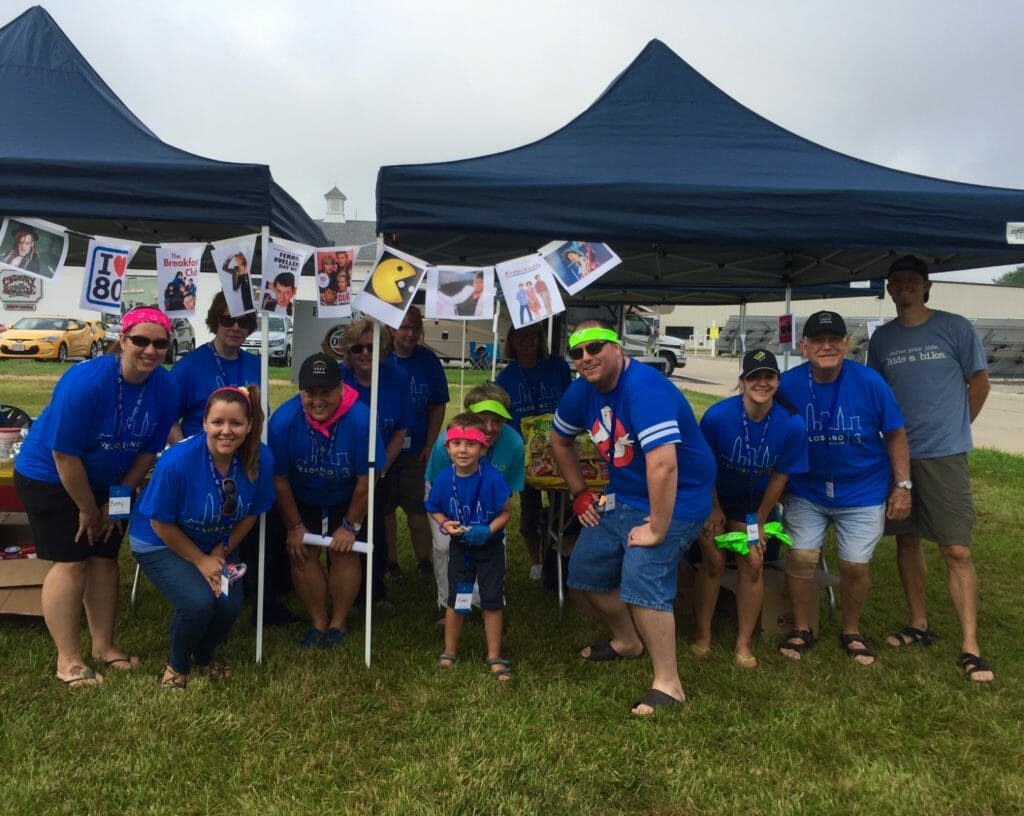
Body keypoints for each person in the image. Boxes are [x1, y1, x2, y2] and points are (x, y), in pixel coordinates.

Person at [550, 321, 715, 715]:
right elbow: (560, 440)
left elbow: (664, 467)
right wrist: (579, 493)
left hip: (680, 498)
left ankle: (669, 684)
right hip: (624, 495)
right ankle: (627, 641)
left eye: (595, 348)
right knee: (586, 569)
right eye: (578, 353)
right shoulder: (582, 390)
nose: (586, 358)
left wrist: (657, 528)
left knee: (643, 574)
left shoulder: (646, 389)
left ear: (617, 347)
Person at [13, 307, 178, 687]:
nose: (150, 350)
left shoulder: (166, 387)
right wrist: (89, 509)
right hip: (52, 477)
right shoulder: (86, 382)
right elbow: (64, 455)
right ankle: (68, 659)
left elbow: (147, 453)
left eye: (159, 344)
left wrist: (114, 503)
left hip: (113, 481)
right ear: (122, 340)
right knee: (73, 562)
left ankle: (104, 646)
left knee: (104, 558)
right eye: (140, 340)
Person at [867, 255, 994, 682]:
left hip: (943, 454)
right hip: (897, 453)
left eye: (911, 280)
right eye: (896, 281)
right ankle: (918, 624)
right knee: (906, 540)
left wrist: (958, 428)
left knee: (956, 548)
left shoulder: (955, 327)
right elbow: (878, 393)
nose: (903, 286)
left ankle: (971, 645)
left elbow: (980, 382)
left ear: (926, 286)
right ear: (889, 288)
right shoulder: (882, 339)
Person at [777, 310, 911, 666]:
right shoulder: (787, 384)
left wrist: (903, 485)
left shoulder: (870, 382)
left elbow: (896, 433)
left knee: (854, 566)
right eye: (818, 340)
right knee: (802, 557)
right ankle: (802, 627)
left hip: (862, 489)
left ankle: (851, 630)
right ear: (803, 346)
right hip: (807, 488)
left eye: (834, 339)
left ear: (847, 345)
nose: (826, 346)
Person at [130, 385, 273, 690]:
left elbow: (252, 512)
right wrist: (200, 561)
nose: (226, 431)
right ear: (204, 423)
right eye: (218, 422)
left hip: (218, 542)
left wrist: (221, 551)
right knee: (197, 603)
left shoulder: (260, 458)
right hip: (159, 541)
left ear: (249, 426)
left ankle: (204, 656)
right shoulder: (177, 462)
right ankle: (177, 665)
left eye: (236, 423)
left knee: (229, 604)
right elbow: (160, 523)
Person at [168, 294, 291, 626]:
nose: (236, 327)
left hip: (245, 461)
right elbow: (169, 416)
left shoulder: (255, 364)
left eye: (244, 322)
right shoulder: (190, 365)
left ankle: (263, 596)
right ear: (214, 321)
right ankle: (209, 586)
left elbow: (257, 416)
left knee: (266, 517)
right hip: (201, 463)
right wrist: (187, 452)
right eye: (227, 320)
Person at [691, 349, 808, 668]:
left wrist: (758, 519)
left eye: (768, 376)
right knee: (714, 559)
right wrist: (714, 509)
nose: (761, 383)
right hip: (714, 496)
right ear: (742, 381)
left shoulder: (791, 424)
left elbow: (780, 476)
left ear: (777, 381)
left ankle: (743, 643)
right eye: (754, 376)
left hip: (754, 503)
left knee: (753, 561)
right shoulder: (717, 417)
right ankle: (703, 634)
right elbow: (703, 468)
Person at [269, 353, 383, 648]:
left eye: (326, 392)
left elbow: (368, 478)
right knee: (301, 552)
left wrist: (350, 524)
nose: (318, 400)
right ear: (301, 392)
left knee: (344, 552)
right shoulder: (282, 421)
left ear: (341, 389)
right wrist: (294, 525)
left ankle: (339, 622)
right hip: (302, 495)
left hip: (346, 497)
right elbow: (278, 478)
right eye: (310, 393)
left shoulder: (361, 419)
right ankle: (318, 620)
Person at [425, 413, 514, 680]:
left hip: (490, 549)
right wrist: (444, 525)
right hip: (460, 548)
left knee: (491, 599)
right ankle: (449, 650)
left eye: (470, 444)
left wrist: (488, 530)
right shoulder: (443, 479)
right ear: (447, 447)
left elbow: (506, 511)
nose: (463, 450)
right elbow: (434, 508)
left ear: (483, 448)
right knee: (457, 598)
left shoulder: (492, 479)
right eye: (456, 444)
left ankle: (494, 655)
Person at [425, 383, 524, 615]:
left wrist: (488, 525)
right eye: (482, 418)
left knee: (492, 544)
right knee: (445, 546)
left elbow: (506, 492)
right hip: (448, 493)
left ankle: (485, 601)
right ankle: (449, 602)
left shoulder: (514, 444)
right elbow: (438, 485)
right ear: (470, 417)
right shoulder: (446, 444)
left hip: (490, 498)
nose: (490, 428)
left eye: (497, 420)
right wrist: (448, 521)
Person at [339, 319, 413, 605]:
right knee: (344, 526)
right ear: (348, 351)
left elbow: (401, 429)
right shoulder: (339, 378)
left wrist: (382, 467)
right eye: (357, 348)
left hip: (380, 466)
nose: (365, 353)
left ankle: (374, 590)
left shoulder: (397, 378)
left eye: (371, 347)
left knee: (374, 529)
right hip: (343, 467)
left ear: (383, 347)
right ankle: (343, 587)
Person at [495, 324, 572, 578]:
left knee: (561, 507)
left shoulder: (558, 367)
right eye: (521, 336)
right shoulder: (505, 378)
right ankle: (536, 562)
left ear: (541, 340)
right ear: (512, 341)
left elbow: (570, 402)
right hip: (524, 452)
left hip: (559, 448)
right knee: (529, 509)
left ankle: (558, 557)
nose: (527, 340)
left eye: (533, 335)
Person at [384, 306, 449, 581]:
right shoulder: (379, 357)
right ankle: (390, 564)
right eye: (403, 327)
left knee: (419, 509)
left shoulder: (427, 360)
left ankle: (424, 562)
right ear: (390, 328)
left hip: (417, 451)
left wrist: (430, 443)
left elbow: (438, 404)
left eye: (414, 327)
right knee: (384, 510)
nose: (409, 333)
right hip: (384, 449)